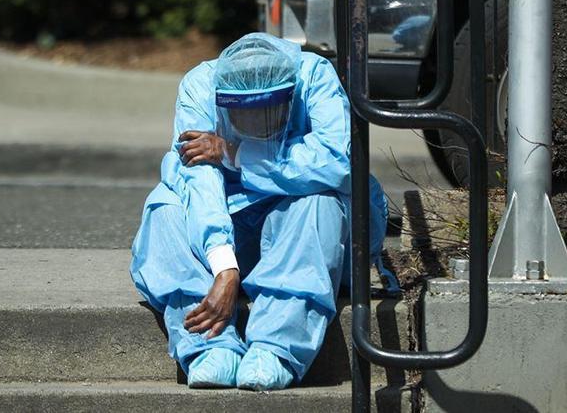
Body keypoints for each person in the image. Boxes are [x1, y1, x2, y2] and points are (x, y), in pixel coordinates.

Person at [130, 33, 396, 391]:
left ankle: (276, 346)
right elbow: (198, 178)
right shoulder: (199, 84)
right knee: (164, 209)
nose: (257, 123)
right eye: (244, 114)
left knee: (318, 201)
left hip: (304, 235)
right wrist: (224, 266)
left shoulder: (314, 74)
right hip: (234, 228)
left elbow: (337, 161)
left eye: (268, 112)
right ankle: (208, 344)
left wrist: (235, 152)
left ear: (289, 95)